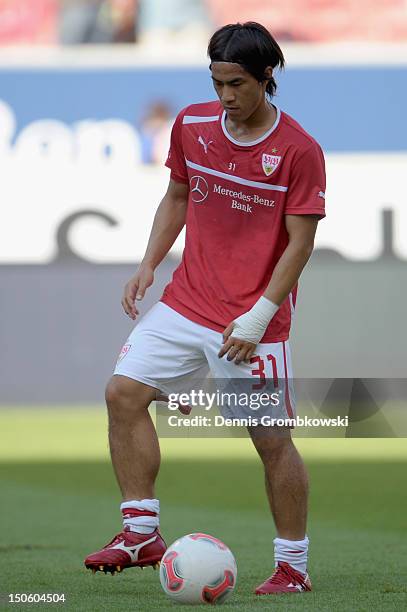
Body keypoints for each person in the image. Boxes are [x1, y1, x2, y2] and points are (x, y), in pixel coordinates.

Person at [84, 21, 326, 596]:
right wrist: (149, 262)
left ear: (267, 78)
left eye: (237, 83)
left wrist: (260, 316)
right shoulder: (192, 124)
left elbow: (300, 244)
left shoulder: (299, 150)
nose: (226, 96)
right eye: (217, 82)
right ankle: (140, 531)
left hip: (254, 318)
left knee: (270, 441)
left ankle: (293, 567)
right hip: (187, 298)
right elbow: (178, 195)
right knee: (123, 393)